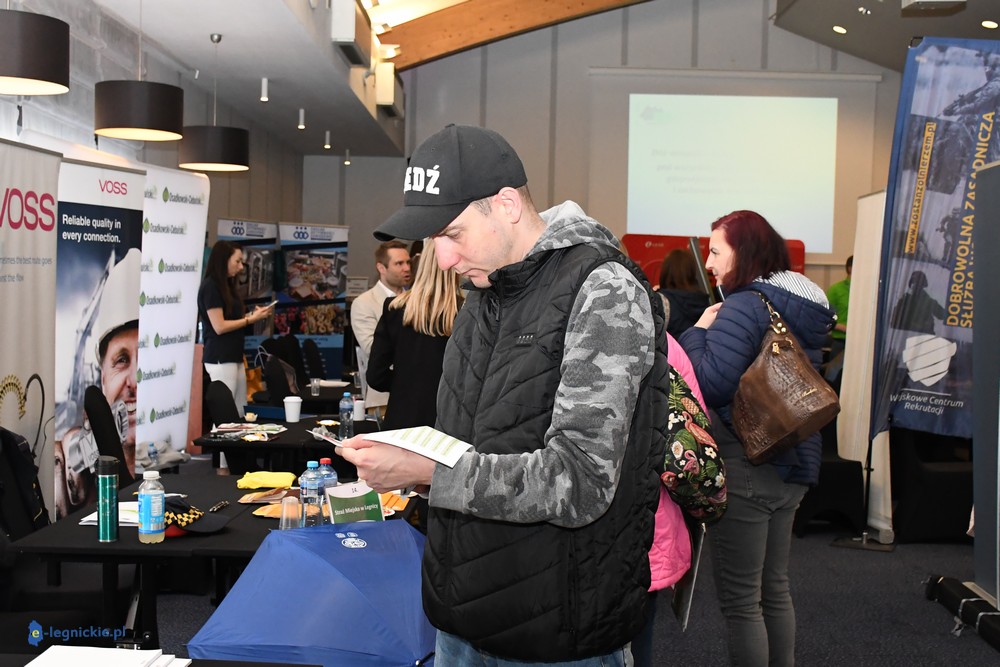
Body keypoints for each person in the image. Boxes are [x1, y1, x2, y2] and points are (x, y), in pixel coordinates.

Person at [337, 124, 669, 665]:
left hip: (557, 629)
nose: (443, 259)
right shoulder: (484, 293)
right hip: (461, 615)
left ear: (507, 205)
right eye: (433, 241)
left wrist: (428, 472)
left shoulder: (602, 288)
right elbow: (475, 443)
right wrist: (415, 459)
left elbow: (580, 481)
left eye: (453, 234)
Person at [678, 210, 834, 667]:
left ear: (743, 253)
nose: (709, 263)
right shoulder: (799, 306)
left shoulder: (745, 305)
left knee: (743, 602)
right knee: (775, 589)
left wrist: (696, 333)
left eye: (716, 252)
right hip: (794, 459)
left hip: (748, 464)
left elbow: (711, 384)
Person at [366, 238, 462, 431]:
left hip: (401, 420)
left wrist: (405, 383)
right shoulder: (465, 312)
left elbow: (376, 375)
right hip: (446, 422)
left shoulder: (394, 308)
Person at [197, 240, 273, 415]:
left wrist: (252, 316)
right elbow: (219, 326)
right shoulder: (211, 287)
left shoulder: (228, 286)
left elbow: (232, 318)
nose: (241, 267)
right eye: (237, 261)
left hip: (234, 355)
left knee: (239, 410)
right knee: (225, 413)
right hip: (220, 357)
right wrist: (249, 320)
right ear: (223, 260)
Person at [349, 240, 411, 416]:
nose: (406, 268)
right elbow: (373, 348)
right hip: (383, 398)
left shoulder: (417, 300)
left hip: (418, 392)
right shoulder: (364, 303)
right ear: (381, 268)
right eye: (399, 263)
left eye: (408, 262)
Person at [657, 248, 710, 338]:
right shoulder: (704, 301)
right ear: (692, 272)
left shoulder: (661, 301)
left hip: (672, 347)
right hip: (695, 346)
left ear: (666, 271)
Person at [825, 255, 852, 382]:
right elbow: (825, 316)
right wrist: (841, 327)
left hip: (859, 343)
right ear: (850, 268)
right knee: (835, 379)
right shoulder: (836, 290)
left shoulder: (866, 291)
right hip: (840, 341)